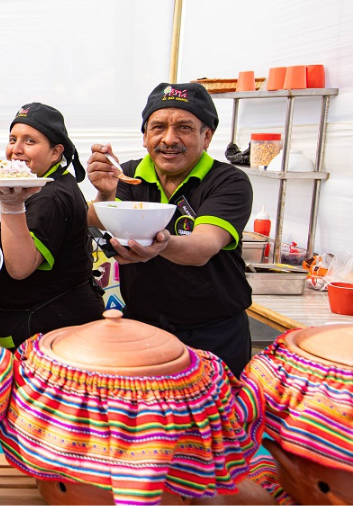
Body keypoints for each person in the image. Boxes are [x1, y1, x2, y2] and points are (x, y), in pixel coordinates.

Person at [86, 82, 253, 377]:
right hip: (144, 328)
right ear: (145, 136)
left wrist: (160, 246)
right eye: (158, 127)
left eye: (184, 128)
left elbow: (203, 247)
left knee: (216, 406)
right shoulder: (129, 174)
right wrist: (105, 194)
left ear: (207, 136)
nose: (169, 139)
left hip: (214, 335)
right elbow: (97, 220)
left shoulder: (228, 181)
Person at [0, 103, 104, 350]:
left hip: (52, 334)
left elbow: (20, 268)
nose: (16, 149)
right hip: (46, 324)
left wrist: (10, 205)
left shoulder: (49, 196)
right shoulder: (52, 184)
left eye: (30, 141)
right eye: (13, 139)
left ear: (56, 152)